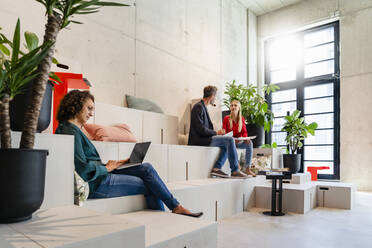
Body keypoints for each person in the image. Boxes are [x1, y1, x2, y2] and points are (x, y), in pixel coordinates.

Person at [55, 90, 202, 218]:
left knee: (146, 168)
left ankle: (174, 208)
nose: (91, 113)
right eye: (89, 108)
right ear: (76, 105)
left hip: (101, 175)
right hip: (97, 183)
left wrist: (117, 163)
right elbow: (83, 170)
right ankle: (172, 211)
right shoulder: (69, 130)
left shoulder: (73, 130)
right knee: (150, 183)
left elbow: (86, 162)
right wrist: (106, 168)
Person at [188, 86, 248, 179]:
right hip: (199, 140)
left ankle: (216, 168)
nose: (215, 99)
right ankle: (235, 170)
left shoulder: (202, 107)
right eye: (215, 97)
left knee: (226, 143)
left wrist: (217, 133)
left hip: (204, 138)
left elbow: (204, 129)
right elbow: (200, 129)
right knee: (229, 140)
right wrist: (216, 132)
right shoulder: (198, 107)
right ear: (212, 96)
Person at [223, 100, 256, 177]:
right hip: (231, 142)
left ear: (239, 108)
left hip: (239, 141)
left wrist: (245, 139)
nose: (233, 107)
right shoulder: (226, 118)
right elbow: (225, 133)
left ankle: (247, 169)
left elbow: (244, 132)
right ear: (230, 108)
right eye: (232, 105)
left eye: (235, 105)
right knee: (231, 142)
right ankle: (237, 165)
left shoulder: (242, 119)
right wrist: (233, 140)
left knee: (250, 143)